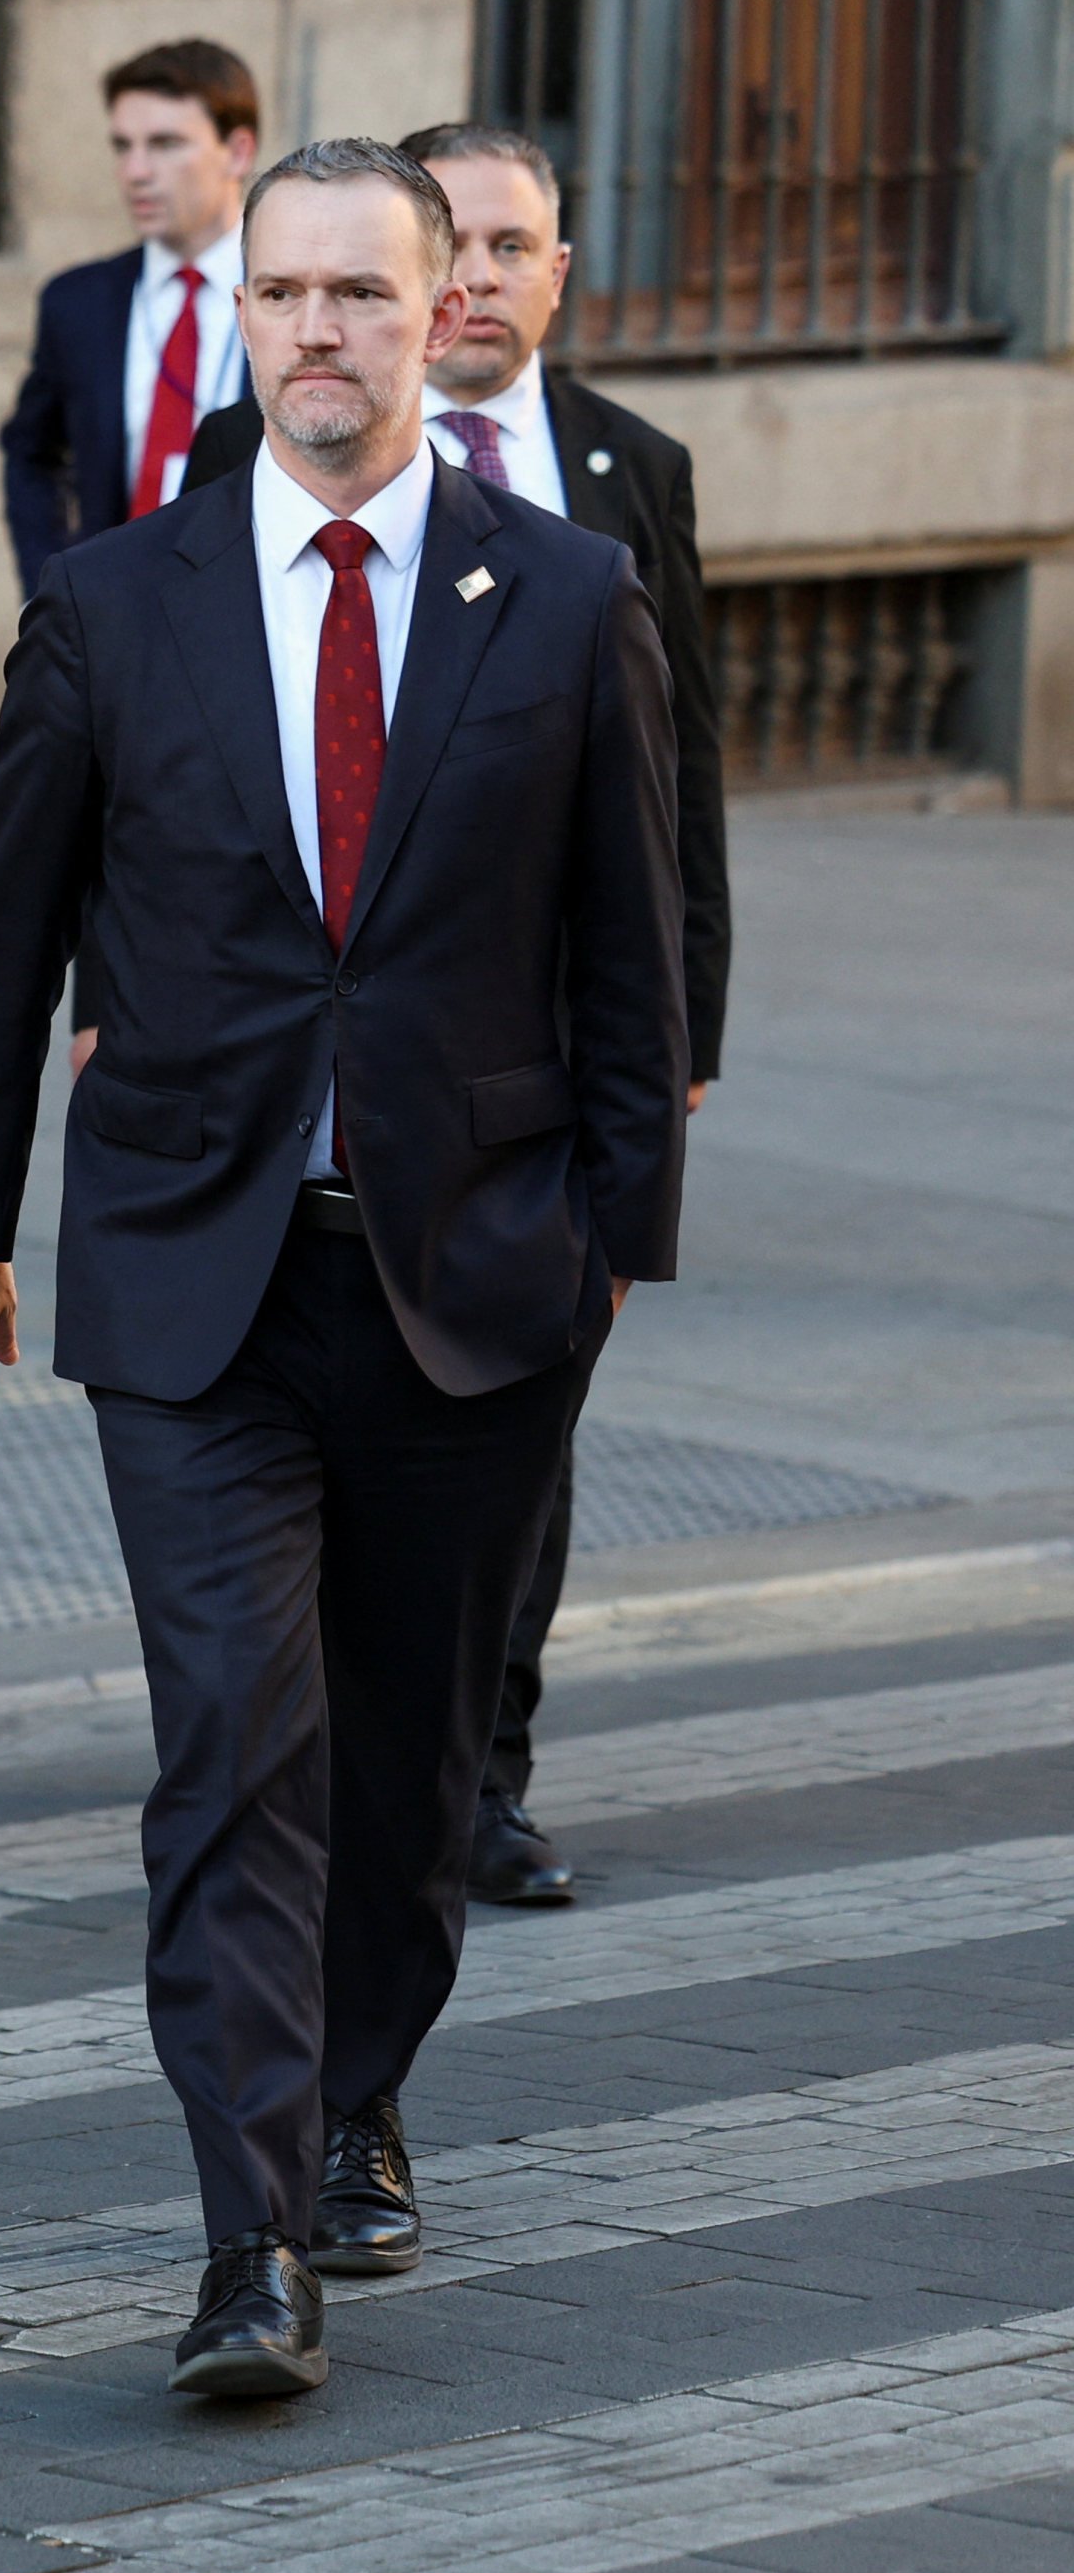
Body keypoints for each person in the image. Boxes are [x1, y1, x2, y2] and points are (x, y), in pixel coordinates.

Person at [0, 139, 684, 2401]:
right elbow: (3, 943)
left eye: (366, 291)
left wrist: (613, 1245)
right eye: (286, 294)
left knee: (414, 1755)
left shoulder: (557, 600)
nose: (322, 330)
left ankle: (358, 2090)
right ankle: (250, 2236)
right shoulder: (120, 604)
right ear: (237, 318)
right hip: (191, 1275)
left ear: (442, 315)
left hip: (476, 1277)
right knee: (235, 1748)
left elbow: (626, 949)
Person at [179, 119, 730, 1916]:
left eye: (511, 248)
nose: (482, 280)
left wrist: (680, 1048)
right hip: (312, 1066)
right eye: (459, 247)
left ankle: (476, 1770)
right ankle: (326, 1759)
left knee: (509, 1444)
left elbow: (679, 791)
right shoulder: (250, 456)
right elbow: (169, 759)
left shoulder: (622, 479)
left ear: (551, 273)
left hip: (536, 1073)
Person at [0, 39, 258, 597]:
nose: (136, 171)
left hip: (250, 606)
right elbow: (30, 451)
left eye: (165, 144)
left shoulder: (288, 294)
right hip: (113, 612)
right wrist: (50, 582)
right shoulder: (80, 301)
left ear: (237, 152)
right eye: (123, 147)